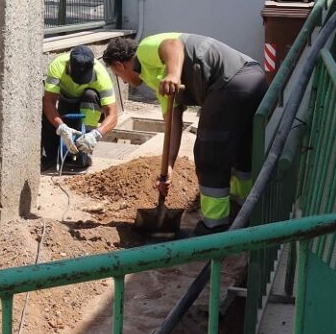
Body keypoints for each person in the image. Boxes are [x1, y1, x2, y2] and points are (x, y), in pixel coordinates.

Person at [102, 34, 267, 235]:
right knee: (239, 151)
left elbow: (173, 45)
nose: (124, 82)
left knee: (209, 154)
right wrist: (169, 167)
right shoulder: (157, 82)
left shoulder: (144, 50)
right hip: (253, 77)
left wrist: (173, 74)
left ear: (119, 66)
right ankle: (242, 211)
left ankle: (214, 227)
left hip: (231, 81)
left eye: (119, 77)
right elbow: (173, 124)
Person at [41, 45, 120, 172]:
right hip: (66, 100)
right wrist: (61, 126)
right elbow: (49, 102)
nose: (79, 83)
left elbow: (113, 115)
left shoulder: (102, 76)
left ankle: (85, 154)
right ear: (69, 67)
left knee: (90, 95)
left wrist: (96, 134)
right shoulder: (57, 66)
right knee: (61, 134)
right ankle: (52, 156)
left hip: (89, 104)